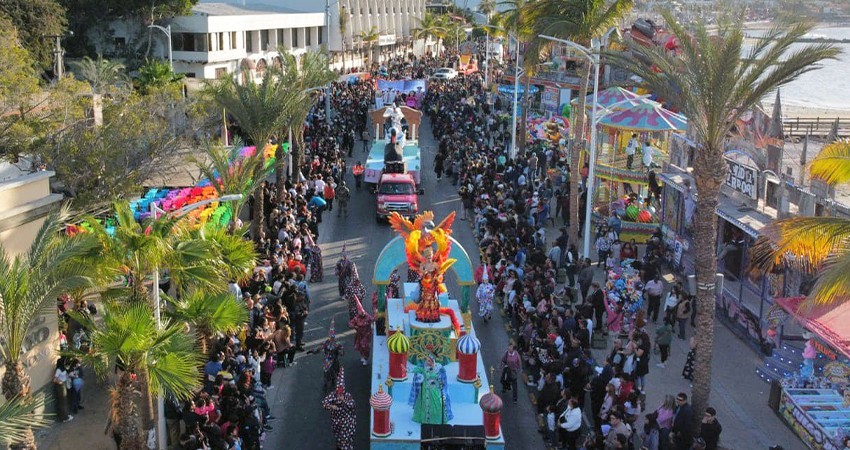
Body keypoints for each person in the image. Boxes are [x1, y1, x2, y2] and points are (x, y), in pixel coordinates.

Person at [409, 354, 453, 424]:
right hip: (425, 391)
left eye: (429, 361)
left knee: (437, 405)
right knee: (425, 405)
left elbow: (442, 381)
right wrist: (406, 370)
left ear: (433, 361)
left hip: (435, 391)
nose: (427, 362)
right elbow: (415, 370)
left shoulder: (439, 369)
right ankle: (425, 420)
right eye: (427, 360)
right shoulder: (424, 368)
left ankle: (436, 420)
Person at [322, 368, 356, 450]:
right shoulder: (333, 395)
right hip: (336, 421)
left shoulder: (347, 395)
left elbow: (353, 405)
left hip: (347, 421)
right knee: (339, 437)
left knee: (345, 439)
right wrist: (331, 406)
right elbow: (324, 402)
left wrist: (344, 400)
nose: (339, 395)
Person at [348, 294, 374, 366]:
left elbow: (373, 319)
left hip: (366, 334)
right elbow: (350, 323)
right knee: (360, 346)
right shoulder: (357, 318)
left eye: (363, 313)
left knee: (365, 346)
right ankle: (363, 356)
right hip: (359, 335)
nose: (363, 314)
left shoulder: (367, 316)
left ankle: (365, 358)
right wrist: (355, 326)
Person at [53, 358, 73, 422]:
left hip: (63, 385)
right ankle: (64, 417)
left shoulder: (62, 368)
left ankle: (65, 415)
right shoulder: (58, 370)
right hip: (61, 386)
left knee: (64, 401)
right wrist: (60, 382)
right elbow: (55, 379)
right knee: (63, 401)